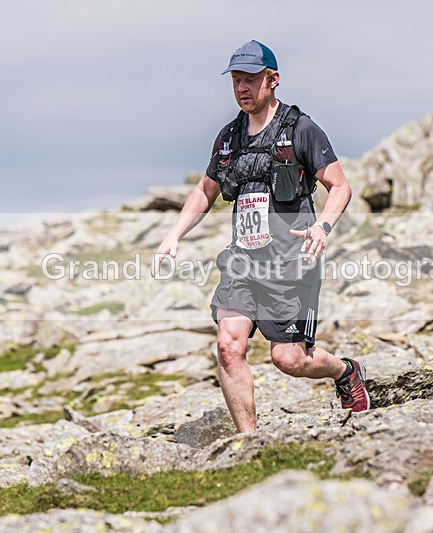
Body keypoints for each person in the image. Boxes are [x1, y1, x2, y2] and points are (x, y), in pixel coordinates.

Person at [152, 40, 370, 433]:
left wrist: (323, 226)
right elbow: (206, 190)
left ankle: (345, 372)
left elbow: (339, 186)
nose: (242, 89)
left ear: (273, 80)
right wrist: (174, 234)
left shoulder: (300, 129)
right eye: (236, 81)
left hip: (292, 264)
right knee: (228, 346)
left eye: (250, 80)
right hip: (243, 263)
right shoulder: (229, 137)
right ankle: (248, 444)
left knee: (289, 360)